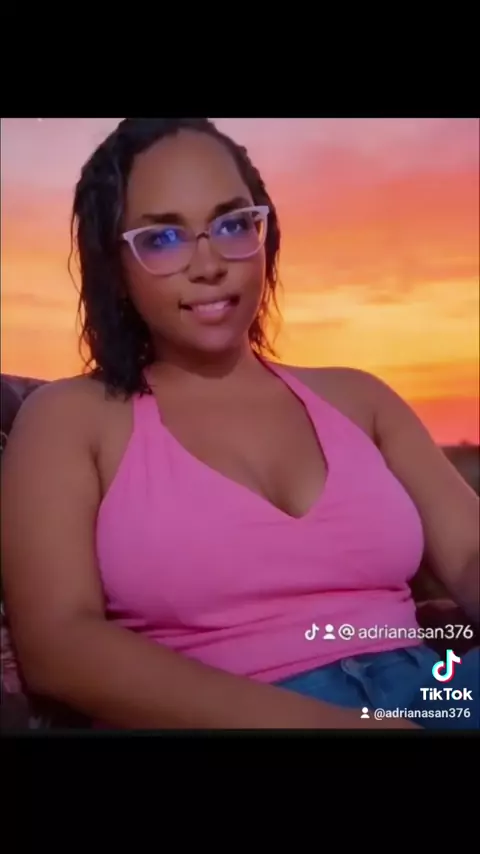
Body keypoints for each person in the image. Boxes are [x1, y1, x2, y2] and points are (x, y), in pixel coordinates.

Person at [1, 118, 478, 731]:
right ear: (115, 265)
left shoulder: (360, 397)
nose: (209, 264)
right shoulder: (69, 418)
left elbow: (469, 552)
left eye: (231, 225)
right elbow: (61, 646)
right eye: (163, 237)